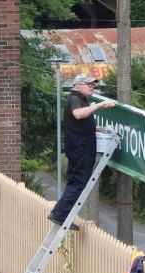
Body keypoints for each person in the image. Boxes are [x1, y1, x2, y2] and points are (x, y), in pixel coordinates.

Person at [47, 74, 115, 230]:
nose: (92, 86)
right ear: (78, 86)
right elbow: (77, 114)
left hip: (78, 147)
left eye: (93, 84)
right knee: (78, 183)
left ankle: (57, 212)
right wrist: (98, 105)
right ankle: (61, 216)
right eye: (89, 84)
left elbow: (78, 122)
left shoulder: (80, 99)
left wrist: (94, 128)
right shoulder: (75, 99)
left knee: (73, 182)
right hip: (80, 149)